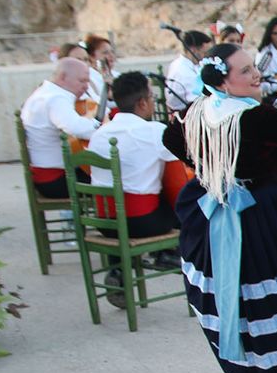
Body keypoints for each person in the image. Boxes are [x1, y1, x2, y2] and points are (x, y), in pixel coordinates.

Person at [162, 44, 277, 373]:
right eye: (246, 71)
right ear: (223, 80)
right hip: (261, 219)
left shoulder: (197, 111)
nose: (256, 75)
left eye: (254, 67)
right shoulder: (254, 118)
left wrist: (209, 165)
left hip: (210, 210)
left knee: (233, 299)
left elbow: (169, 139)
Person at [90, 72, 184, 241]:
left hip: (104, 223)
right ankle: (172, 254)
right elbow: (177, 186)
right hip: (141, 222)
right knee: (188, 203)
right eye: (151, 97)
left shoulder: (99, 134)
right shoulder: (155, 131)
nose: (153, 101)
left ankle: (118, 264)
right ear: (142, 103)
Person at [20, 58, 100, 197]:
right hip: (55, 180)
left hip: (47, 175)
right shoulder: (56, 98)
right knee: (115, 183)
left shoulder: (43, 92)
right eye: (82, 81)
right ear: (63, 77)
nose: (86, 86)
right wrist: (101, 126)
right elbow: (78, 129)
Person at [165, 30, 211, 114]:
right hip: (187, 115)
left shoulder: (190, 64)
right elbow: (198, 100)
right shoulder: (183, 71)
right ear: (193, 50)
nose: (206, 56)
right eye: (205, 53)